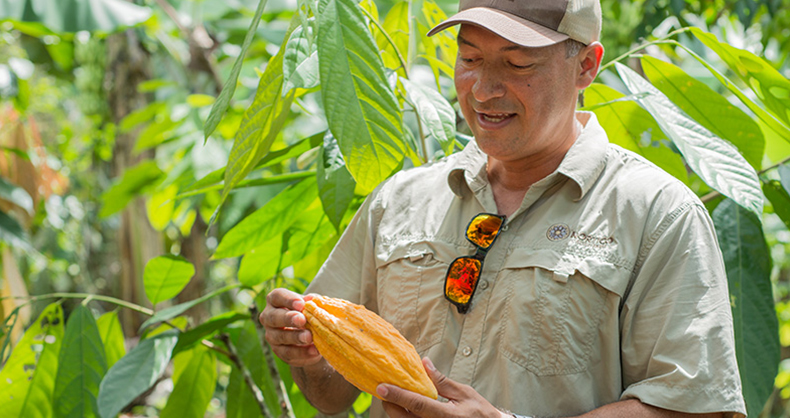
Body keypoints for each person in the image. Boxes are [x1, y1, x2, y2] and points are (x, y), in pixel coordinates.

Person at [259, 0, 748, 417]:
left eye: (518, 66)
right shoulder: (401, 202)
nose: (483, 89)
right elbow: (331, 395)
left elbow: (699, 407)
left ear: (586, 66)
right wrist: (308, 355)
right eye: (469, 58)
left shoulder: (655, 213)